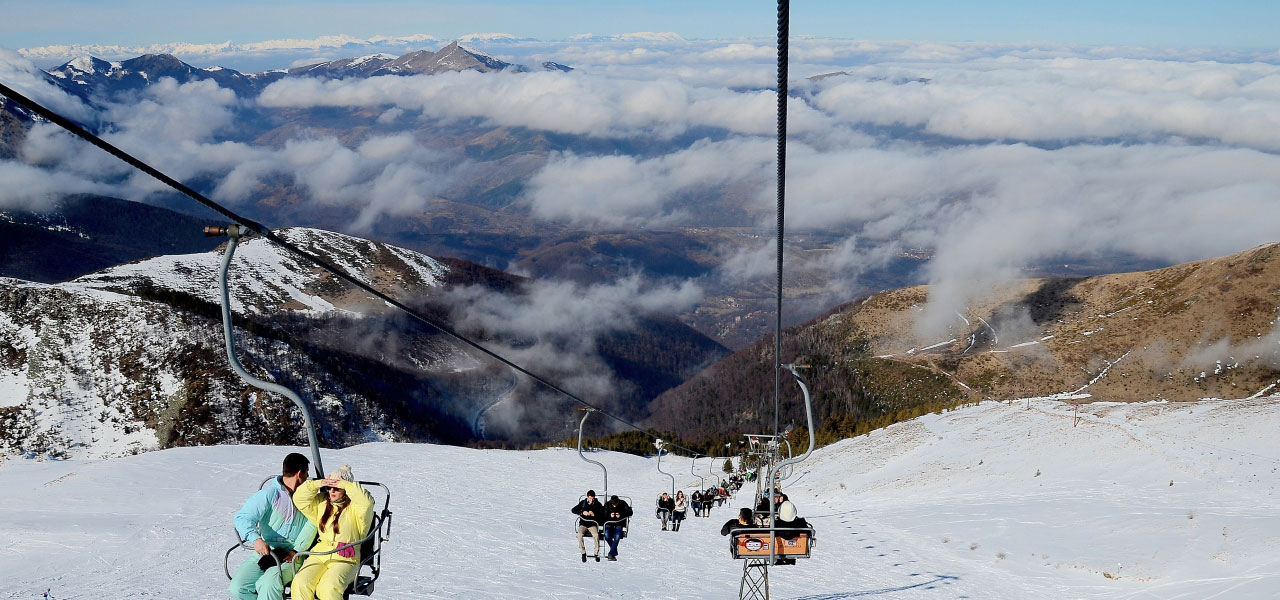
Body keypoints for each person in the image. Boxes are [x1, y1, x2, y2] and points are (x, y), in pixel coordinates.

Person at [229, 452, 318, 600]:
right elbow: (242, 518)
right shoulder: (270, 494)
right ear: (299, 474)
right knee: (238, 587)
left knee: (269, 583)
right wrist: (256, 539)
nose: (307, 477)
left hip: (292, 555)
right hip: (267, 552)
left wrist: (297, 550)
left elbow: (312, 525)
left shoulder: (308, 498)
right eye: (306, 473)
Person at [291, 465, 375, 600]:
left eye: (337, 488)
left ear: (346, 489)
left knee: (328, 589)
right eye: (330, 487)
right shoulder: (321, 503)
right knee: (300, 583)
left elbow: (367, 503)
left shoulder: (356, 509)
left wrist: (346, 484)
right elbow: (299, 498)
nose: (332, 491)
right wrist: (320, 483)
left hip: (346, 559)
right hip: (319, 554)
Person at [571, 490, 606, 562]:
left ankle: (596, 553)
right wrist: (582, 512)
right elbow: (573, 510)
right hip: (583, 524)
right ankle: (583, 553)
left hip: (592, 524)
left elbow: (602, 514)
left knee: (596, 535)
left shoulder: (597, 504)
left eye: (593, 498)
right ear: (587, 497)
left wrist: (594, 514)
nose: (591, 500)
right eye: (590, 498)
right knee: (579, 535)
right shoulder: (583, 503)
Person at [602, 495, 633, 561]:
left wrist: (621, 515)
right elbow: (603, 515)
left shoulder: (623, 503)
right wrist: (610, 516)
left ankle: (611, 553)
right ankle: (614, 551)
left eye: (616, 504)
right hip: (609, 524)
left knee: (617, 536)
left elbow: (630, 512)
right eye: (613, 504)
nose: (615, 506)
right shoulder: (607, 505)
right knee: (607, 535)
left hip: (619, 523)